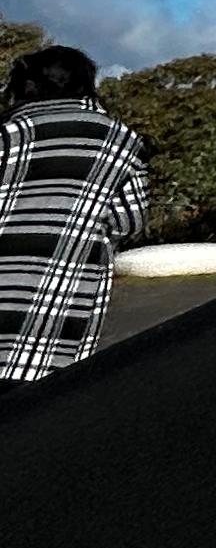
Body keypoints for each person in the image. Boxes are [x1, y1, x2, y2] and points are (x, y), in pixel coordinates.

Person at [0, 44, 152, 388]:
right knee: (36, 405)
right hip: (57, 301)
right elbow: (129, 222)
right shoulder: (121, 141)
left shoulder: (8, 133)